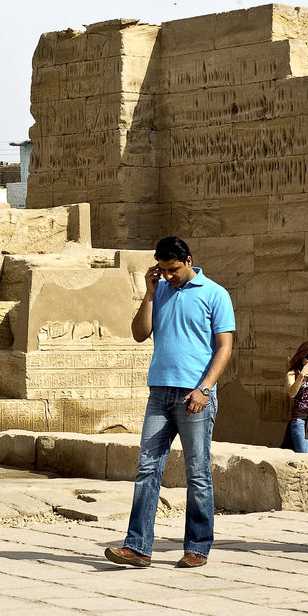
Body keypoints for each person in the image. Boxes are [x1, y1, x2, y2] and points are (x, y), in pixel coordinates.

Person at [105, 236, 235, 569]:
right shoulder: (159, 290)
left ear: (189, 261)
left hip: (195, 394)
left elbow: (224, 348)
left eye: (173, 269)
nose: (168, 276)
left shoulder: (215, 294)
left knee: (197, 472)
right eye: (162, 270)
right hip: (159, 393)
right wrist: (149, 293)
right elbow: (139, 333)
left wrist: (205, 389)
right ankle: (137, 547)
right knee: (147, 468)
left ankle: (198, 546)